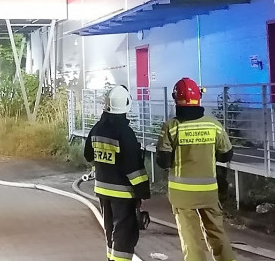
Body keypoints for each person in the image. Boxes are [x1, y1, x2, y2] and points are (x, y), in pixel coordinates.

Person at [156, 78, 235, 261]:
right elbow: (226, 155)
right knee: (217, 232)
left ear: (176, 99)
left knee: (190, 239)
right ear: (199, 98)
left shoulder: (171, 126)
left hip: (181, 195)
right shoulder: (213, 124)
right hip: (208, 192)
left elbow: (163, 162)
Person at [84, 85, 150, 261]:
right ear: (126, 105)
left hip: (102, 190)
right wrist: (143, 190)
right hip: (123, 192)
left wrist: (103, 167)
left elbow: (88, 155)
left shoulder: (97, 128)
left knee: (110, 231)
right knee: (124, 233)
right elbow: (132, 167)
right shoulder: (125, 133)